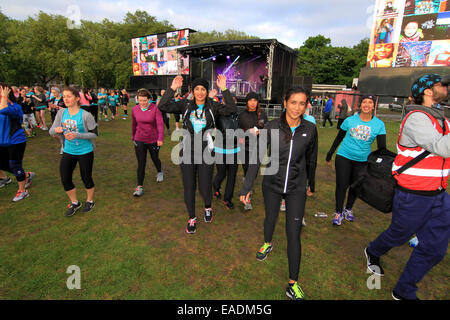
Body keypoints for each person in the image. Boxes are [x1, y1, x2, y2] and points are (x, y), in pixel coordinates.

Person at [365, 74, 449, 300]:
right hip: (414, 195)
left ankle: (404, 290)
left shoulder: (442, 119)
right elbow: (442, 147)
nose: (447, 88)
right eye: (443, 84)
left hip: (439, 195)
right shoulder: (417, 117)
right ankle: (373, 250)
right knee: (399, 234)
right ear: (428, 91)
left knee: (435, 248)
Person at [239, 86, 318, 300]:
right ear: (285, 102)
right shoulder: (271, 127)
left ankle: (293, 283)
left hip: (296, 187)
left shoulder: (310, 129)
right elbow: (256, 158)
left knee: (293, 233)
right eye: (293, 102)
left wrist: (312, 183)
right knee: (270, 219)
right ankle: (267, 243)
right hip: (272, 184)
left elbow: (312, 159)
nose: (297, 107)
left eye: (302, 103)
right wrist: (247, 187)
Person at [158, 75, 236, 234]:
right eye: (197, 89)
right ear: (193, 91)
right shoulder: (185, 104)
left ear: (207, 92)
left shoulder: (213, 106)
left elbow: (232, 109)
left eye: (203, 89)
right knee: (189, 186)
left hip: (206, 153)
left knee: (205, 186)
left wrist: (225, 89)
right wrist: (172, 88)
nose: (200, 92)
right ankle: (192, 217)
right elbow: (162, 106)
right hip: (187, 153)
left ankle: (208, 207)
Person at [326, 95, 386, 225]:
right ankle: (338, 212)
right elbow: (339, 138)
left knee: (355, 186)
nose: (367, 105)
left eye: (370, 102)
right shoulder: (350, 120)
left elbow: (382, 148)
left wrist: (378, 164)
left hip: (363, 160)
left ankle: (348, 209)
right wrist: (330, 153)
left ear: (373, 105)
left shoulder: (379, 124)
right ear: (360, 105)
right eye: (364, 102)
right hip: (344, 156)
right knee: (342, 185)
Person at [49, 87, 98, 217]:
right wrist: (57, 129)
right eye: (64, 96)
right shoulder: (61, 114)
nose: (65, 99)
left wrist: (77, 135)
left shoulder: (86, 115)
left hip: (85, 151)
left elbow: (94, 134)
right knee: (65, 178)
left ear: (77, 98)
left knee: (86, 177)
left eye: (69, 96)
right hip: (68, 150)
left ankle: (90, 200)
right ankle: (75, 202)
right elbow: (51, 131)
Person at [0, 83, 35, 202]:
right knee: (3, 165)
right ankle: (26, 175)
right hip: (2, 141)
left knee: (15, 165)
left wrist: (4, 97)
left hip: (15, 141)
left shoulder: (15, 106)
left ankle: (23, 191)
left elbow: (4, 109)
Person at [237, 92, 268, 210]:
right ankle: (247, 196)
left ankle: (248, 186)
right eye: (250, 100)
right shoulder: (242, 115)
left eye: (255, 100)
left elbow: (268, 129)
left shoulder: (262, 114)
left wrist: (261, 132)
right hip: (244, 147)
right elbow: (237, 133)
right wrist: (246, 132)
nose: (253, 103)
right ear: (247, 102)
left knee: (253, 172)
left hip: (258, 147)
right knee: (247, 171)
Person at [131, 89, 164, 197]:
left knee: (155, 158)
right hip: (139, 139)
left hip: (153, 139)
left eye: (144, 100)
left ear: (149, 100)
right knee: (141, 163)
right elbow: (134, 124)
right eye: (140, 100)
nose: (142, 103)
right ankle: (139, 187)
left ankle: (159, 171)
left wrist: (160, 138)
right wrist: (133, 137)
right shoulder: (135, 109)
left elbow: (160, 124)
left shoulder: (155, 109)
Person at [212, 94, 239, 209]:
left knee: (232, 176)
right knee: (222, 174)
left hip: (235, 150)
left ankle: (228, 199)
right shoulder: (218, 114)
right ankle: (216, 187)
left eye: (232, 101)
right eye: (226, 101)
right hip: (220, 149)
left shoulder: (238, 116)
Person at [48, 87, 66, 154]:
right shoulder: (52, 99)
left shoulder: (63, 99)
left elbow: (66, 109)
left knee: (62, 133)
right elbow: (49, 109)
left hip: (62, 117)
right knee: (54, 134)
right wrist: (50, 107)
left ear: (58, 92)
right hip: (54, 117)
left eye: (55, 92)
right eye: (52, 92)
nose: (54, 94)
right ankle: (63, 144)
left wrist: (57, 107)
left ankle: (63, 147)